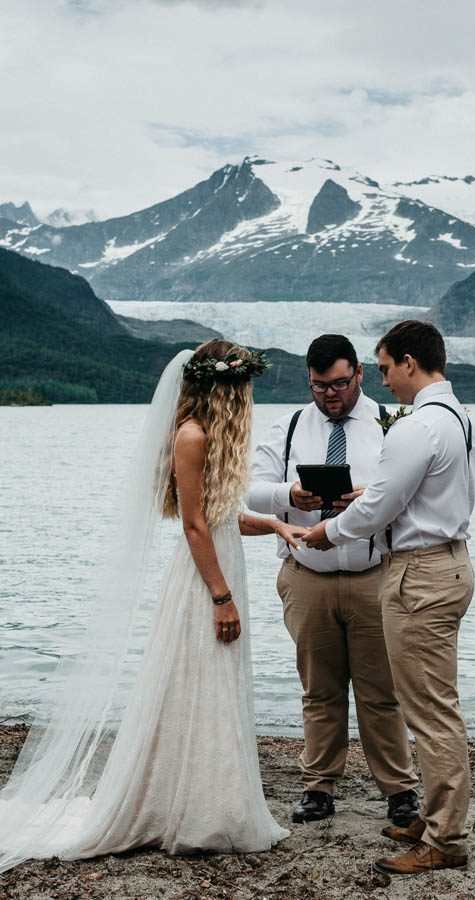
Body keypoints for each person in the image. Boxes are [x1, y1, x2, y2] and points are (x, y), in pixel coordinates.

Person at [0, 339, 305, 872]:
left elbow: (223, 517)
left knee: (217, 685)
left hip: (221, 569)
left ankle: (214, 801)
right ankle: (188, 810)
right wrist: (222, 598)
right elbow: (192, 525)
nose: (246, 398)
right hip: (204, 581)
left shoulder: (214, 436)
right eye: (242, 388)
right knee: (198, 679)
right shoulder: (191, 435)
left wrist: (276, 523)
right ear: (223, 386)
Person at [304, 321, 475, 875]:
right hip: (450, 562)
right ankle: (430, 818)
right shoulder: (460, 419)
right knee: (432, 704)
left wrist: (325, 533)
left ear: (409, 361)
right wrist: (374, 496)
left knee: (430, 712)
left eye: (383, 368)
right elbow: (415, 493)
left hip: (420, 574)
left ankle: (445, 840)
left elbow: (378, 510)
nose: (382, 380)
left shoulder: (415, 426)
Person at [247, 334, 420, 825]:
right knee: (319, 690)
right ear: (310, 381)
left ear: (360, 375)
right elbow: (251, 491)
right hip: (307, 576)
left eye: (340, 384)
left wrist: (367, 498)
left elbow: (409, 493)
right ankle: (318, 787)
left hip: (373, 575)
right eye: (320, 385)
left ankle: (399, 791)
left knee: (380, 691)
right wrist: (290, 494)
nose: (330, 394)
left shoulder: (393, 426)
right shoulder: (288, 428)